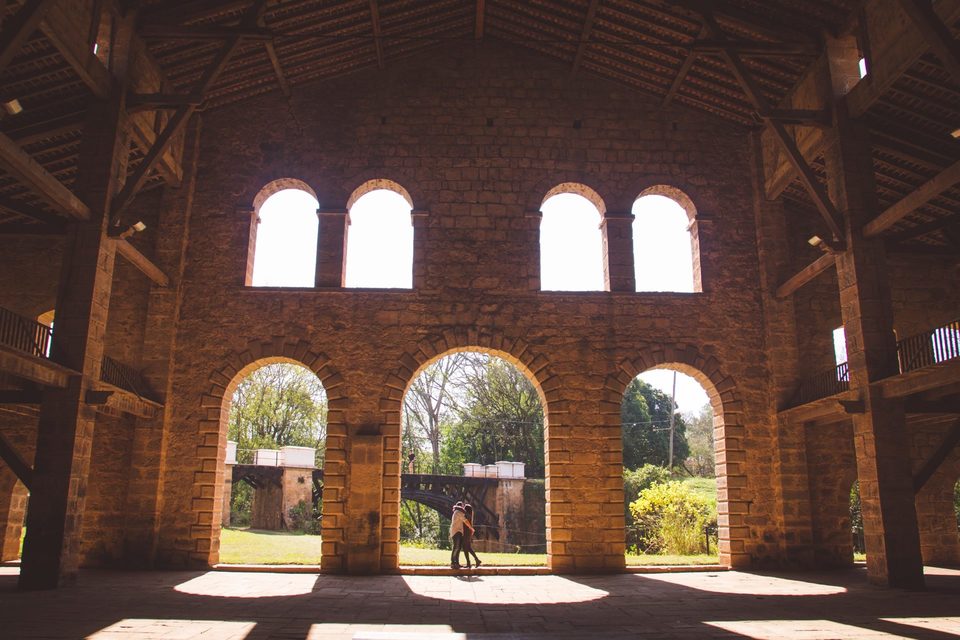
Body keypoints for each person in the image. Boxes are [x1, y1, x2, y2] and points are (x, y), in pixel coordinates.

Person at [462, 504, 481, 569]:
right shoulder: (470, 516)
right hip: (468, 532)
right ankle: (476, 560)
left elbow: (465, 522)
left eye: (464, 508)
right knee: (468, 548)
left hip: (466, 533)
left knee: (465, 548)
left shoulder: (466, 515)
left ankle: (469, 563)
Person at [449, 501, 466, 568]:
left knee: (458, 548)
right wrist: (471, 528)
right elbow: (465, 520)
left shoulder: (457, 512)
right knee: (456, 547)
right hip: (456, 532)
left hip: (458, 531)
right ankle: (453, 563)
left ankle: (456, 563)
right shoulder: (458, 512)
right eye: (463, 506)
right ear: (460, 506)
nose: (463, 507)